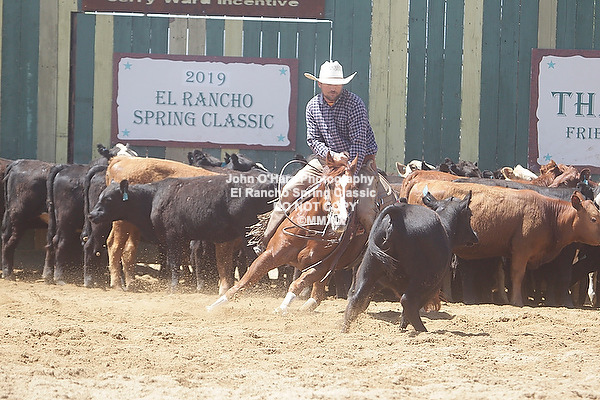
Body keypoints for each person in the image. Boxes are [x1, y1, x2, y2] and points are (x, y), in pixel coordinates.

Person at [256, 60, 396, 253]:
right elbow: (313, 140)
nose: (333, 87)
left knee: (365, 210)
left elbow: (359, 143)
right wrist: (331, 156)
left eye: (337, 84)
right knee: (289, 190)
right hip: (326, 162)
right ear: (320, 84)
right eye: (329, 83)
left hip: (359, 162)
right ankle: (266, 241)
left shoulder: (355, 104)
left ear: (342, 84)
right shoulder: (313, 106)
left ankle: (374, 252)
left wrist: (349, 173)